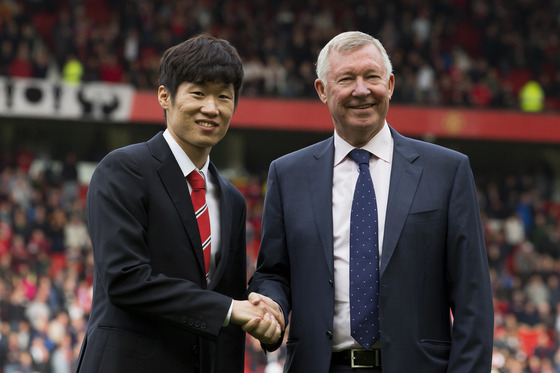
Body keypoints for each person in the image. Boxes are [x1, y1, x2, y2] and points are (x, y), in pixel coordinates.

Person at [247, 31, 494, 372]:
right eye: (346, 79)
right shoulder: (288, 174)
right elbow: (273, 273)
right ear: (322, 90)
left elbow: (473, 299)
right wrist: (271, 305)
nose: (361, 90)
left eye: (372, 77)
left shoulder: (448, 171)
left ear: (390, 84)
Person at [75, 34, 282, 373]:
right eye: (198, 93)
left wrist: (258, 317)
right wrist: (230, 309)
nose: (211, 108)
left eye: (223, 97)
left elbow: (227, 318)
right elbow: (125, 280)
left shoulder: (231, 199)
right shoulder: (124, 169)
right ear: (164, 96)